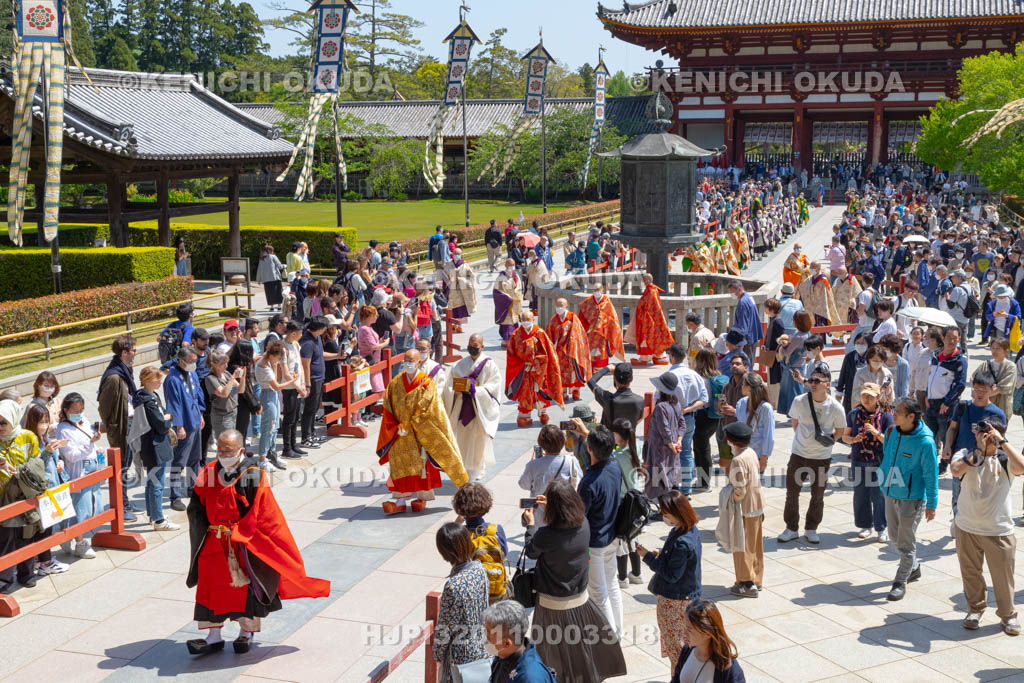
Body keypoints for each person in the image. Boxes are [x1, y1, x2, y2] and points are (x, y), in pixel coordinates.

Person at [185, 430, 330, 655]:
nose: (223, 455)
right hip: (214, 541)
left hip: (242, 542)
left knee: (245, 588)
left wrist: (241, 533)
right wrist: (202, 530)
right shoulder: (208, 472)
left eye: (228, 451)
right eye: (220, 450)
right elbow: (196, 506)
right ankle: (213, 636)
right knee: (210, 587)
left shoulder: (253, 475)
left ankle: (246, 633)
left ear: (241, 451)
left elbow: (264, 512)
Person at [521, 478, 626, 683]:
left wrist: (531, 525)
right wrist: (552, 504)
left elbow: (532, 551)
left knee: (551, 657)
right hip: (581, 602)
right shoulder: (584, 524)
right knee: (580, 655)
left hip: (551, 606)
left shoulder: (546, 534)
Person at [950, 419, 1023, 635]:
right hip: (967, 527)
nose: (986, 435)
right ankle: (975, 610)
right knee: (971, 574)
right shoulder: (965, 453)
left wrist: (1003, 443)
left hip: (998, 530)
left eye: (991, 433)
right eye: (983, 432)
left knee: (1003, 578)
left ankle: (1008, 615)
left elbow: (1021, 467)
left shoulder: (1005, 459)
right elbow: (955, 470)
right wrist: (980, 451)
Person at [377, 349, 469, 514]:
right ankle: (399, 499)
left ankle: (422, 498)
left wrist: (413, 423)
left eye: (411, 360)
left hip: (420, 435)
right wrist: (396, 426)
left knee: (422, 468)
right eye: (405, 360)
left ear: (419, 362)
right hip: (400, 435)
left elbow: (432, 410)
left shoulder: (427, 383)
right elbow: (388, 409)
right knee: (399, 466)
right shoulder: (395, 383)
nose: (408, 363)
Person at [779, 363, 846, 544]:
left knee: (817, 495)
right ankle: (791, 528)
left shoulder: (835, 407)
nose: (813, 383)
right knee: (792, 493)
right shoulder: (799, 401)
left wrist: (827, 442)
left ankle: (811, 528)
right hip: (798, 453)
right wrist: (803, 440)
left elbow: (840, 430)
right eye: (810, 380)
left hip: (821, 458)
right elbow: (795, 423)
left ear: (827, 383)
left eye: (817, 380)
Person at [880, 397, 938, 601]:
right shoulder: (891, 432)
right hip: (890, 492)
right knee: (894, 537)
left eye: (897, 412)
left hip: (912, 499)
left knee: (905, 542)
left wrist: (932, 503)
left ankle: (900, 581)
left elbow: (931, 475)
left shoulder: (925, 442)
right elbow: (887, 456)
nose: (892, 414)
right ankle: (913, 567)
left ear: (911, 417)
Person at [636, 491, 702, 671]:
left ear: (677, 512)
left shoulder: (682, 541)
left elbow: (672, 574)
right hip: (687, 596)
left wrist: (648, 557)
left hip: (675, 600)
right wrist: (662, 552)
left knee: (677, 648)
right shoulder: (689, 529)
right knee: (685, 644)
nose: (663, 517)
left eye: (666, 514)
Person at [578, 426, 624, 637]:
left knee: (598, 592)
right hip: (612, 536)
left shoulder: (588, 483)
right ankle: (619, 632)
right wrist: (587, 433)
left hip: (595, 543)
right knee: (612, 584)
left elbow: (579, 515)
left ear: (589, 449)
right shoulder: (615, 467)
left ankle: (610, 636)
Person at [431, 522, 489, 682]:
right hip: (481, 645)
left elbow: (446, 625)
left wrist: (437, 653)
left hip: (460, 656)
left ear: (445, 552)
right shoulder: (480, 569)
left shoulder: (453, 585)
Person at [943, 371, 1006, 516]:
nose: (980, 393)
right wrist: (947, 445)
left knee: (980, 496)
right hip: (962, 458)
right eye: (977, 389)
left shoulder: (997, 414)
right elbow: (952, 428)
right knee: (957, 493)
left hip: (984, 461)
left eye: (984, 390)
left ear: (993, 389)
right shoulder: (963, 407)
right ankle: (958, 520)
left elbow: (1000, 441)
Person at [443, 334, 502, 482]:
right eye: (470, 345)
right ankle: (465, 469)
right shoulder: (460, 364)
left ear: (482, 347)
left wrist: (476, 390)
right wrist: (455, 390)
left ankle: (476, 469)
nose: (472, 348)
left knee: (477, 441)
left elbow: (494, 386)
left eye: (475, 346)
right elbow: (449, 384)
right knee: (463, 439)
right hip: (462, 407)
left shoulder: (489, 365)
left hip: (478, 409)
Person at [128, 366, 180, 531]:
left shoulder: (149, 396)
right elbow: (162, 424)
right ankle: (159, 520)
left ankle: (153, 515)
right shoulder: (148, 401)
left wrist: (166, 417)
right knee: (157, 483)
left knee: (152, 482)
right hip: (155, 445)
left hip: (151, 445)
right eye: (157, 379)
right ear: (148, 381)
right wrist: (167, 419)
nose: (160, 381)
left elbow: (165, 414)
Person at [842, 383, 893, 542]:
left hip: (878, 461)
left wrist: (876, 433)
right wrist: (854, 440)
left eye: (870, 396)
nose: (866, 398)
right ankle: (866, 525)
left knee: (879, 495)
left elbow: (891, 440)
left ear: (878, 397)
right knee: (861, 494)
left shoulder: (886, 416)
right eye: (864, 395)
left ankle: (881, 527)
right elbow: (844, 436)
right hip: (859, 459)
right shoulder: (853, 414)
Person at [55, 393, 104, 559]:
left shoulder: (84, 422)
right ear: (65, 410)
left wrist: (95, 446)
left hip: (92, 466)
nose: (79, 413)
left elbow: (89, 442)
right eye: (75, 410)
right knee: (80, 507)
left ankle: (69, 534)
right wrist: (90, 445)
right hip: (78, 469)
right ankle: (80, 542)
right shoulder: (63, 429)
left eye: (81, 409)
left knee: (92, 504)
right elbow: (71, 455)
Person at [97, 335, 140, 521]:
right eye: (134, 350)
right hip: (121, 427)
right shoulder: (114, 377)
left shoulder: (124, 371)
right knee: (120, 467)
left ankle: (125, 501)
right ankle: (120, 507)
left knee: (126, 465)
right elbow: (103, 406)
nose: (135, 353)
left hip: (130, 423)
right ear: (125, 352)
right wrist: (114, 426)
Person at [165, 346, 206, 512]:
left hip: (195, 420)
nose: (194, 364)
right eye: (191, 361)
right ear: (181, 361)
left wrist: (201, 415)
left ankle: (192, 487)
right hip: (184, 423)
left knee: (195, 458)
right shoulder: (172, 379)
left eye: (195, 361)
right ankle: (175, 495)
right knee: (179, 460)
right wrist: (179, 426)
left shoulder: (193, 373)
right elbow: (173, 405)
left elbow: (196, 396)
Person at [505, 311, 563, 428]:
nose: (526, 322)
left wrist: (536, 362)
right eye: (524, 320)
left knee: (541, 392)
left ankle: (542, 413)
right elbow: (511, 355)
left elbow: (548, 353)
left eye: (528, 319)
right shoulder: (515, 335)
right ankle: (524, 416)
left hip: (539, 370)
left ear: (533, 320)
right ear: (520, 320)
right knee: (524, 393)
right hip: (523, 371)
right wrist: (521, 365)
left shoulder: (540, 333)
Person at [518, 425, 582, 527]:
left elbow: (523, 484)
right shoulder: (571, 461)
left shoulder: (533, 465)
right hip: (564, 511)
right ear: (562, 442)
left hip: (540, 516)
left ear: (541, 443)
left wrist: (533, 462)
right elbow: (579, 482)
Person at [666, 343, 708, 492]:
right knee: (686, 452)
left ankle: (675, 485)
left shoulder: (668, 376)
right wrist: (688, 409)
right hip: (689, 417)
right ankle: (686, 487)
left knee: (671, 453)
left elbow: (657, 399)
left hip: (671, 419)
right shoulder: (694, 375)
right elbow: (704, 398)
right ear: (685, 356)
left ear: (671, 356)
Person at [671, 600, 747, 683]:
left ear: (707, 633)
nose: (684, 633)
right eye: (684, 627)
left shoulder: (728, 668)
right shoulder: (687, 651)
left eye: (689, 630)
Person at [482, 600, 557, 683]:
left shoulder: (530, 677)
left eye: (489, 636)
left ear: (507, 643)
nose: (485, 638)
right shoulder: (502, 656)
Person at [546, 297, 593, 403]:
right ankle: (563, 391)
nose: (559, 308)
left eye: (561, 305)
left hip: (573, 349)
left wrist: (573, 343)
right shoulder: (554, 320)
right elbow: (549, 336)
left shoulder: (572, 318)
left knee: (574, 370)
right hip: (559, 352)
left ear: (566, 306)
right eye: (557, 305)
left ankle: (576, 389)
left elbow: (579, 333)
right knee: (561, 371)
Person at [644, 372, 684, 498]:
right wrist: (679, 440)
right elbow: (682, 423)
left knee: (661, 481)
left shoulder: (660, 407)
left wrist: (670, 443)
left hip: (660, 449)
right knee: (671, 476)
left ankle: (664, 510)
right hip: (672, 448)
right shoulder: (676, 404)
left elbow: (664, 428)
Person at [693, 349, 727, 492]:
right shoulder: (718, 378)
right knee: (704, 447)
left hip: (701, 416)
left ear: (701, 361)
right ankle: (703, 481)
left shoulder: (699, 379)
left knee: (701, 449)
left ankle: (704, 482)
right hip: (714, 418)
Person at [625, 273, 673, 366]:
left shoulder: (651, 291)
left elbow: (650, 307)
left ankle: (645, 358)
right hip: (650, 319)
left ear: (648, 280)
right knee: (656, 338)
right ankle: (659, 357)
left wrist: (645, 318)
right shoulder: (651, 290)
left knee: (647, 339)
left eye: (644, 280)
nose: (644, 282)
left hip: (648, 320)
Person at [587, 362, 645, 432]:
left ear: (615, 378)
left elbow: (591, 382)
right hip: (628, 441)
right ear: (631, 379)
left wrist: (607, 369)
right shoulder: (640, 400)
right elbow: (639, 418)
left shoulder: (607, 398)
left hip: (609, 441)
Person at [579, 284, 625, 370]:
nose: (596, 292)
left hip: (603, 333)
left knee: (602, 350)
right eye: (594, 290)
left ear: (602, 290)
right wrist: (586, 328)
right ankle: (591, 366)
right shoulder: (588, 302)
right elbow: (582, 316)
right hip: (591, 332)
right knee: (591, 350)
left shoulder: (607, 302)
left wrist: (606, 326)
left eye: (598, 290)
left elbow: (612, 318)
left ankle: (601, 367)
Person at [298, 316, 328, 451]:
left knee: (314, 408)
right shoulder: (307, 341)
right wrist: (308, 383)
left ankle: (312, 433)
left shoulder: (317, 338)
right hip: (313, 379)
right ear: (320, 328)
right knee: (309, 409)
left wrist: (337, 355)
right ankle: (306, 437)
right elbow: (306, 365)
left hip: (319, 377)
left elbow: (321, 354)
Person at [735, 373, 774, 474]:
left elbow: (768, 435)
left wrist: (764, 458)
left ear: (748, 388)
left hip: (757, 455)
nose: (741, 386)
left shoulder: (766, 408)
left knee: (754, 487)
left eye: (743, 384)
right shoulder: (741, 403)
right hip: (741, 453)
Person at [980, 338, 1016, 420]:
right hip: (985, 407)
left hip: (1002, 407)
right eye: (993, 348)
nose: (994, 351)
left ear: (1006, 351)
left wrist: (982, 394)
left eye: (998, 349)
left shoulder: (1010, 366)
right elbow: (975, 380)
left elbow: (1004, 387)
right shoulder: (986, 364)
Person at [493, 259, 524, 347]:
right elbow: (497, 292)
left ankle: (514, 340)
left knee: (514, 321)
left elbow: (519, 288)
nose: (512, 266)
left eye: (513, 264)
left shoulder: (516, 275)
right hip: (507, 304)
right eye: (510, 265)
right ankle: (507, 340)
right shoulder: (501, 277)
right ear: (505, 265)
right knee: (507, 322)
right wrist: (508, 298)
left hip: (516, 303)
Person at [447, 248, 478, 333]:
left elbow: (471, 276)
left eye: (458, 254)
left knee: (461, 309)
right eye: (455, 253)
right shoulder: (449, 264)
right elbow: (444, 276)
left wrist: (462, 280)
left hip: (462, 290)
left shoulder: (465, 265)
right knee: (452, 309)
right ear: (453, 254)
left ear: (461, 255)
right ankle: (454, 324)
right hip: (452, 290)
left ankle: (459, 325)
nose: (457, 255)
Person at [257, 244, 285, 311]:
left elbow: (259, 269)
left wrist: (259, 279)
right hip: (275, 278)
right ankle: (279, 306)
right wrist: (285, 266)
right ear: (270, 250)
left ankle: (272, 307)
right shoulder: (273, 256)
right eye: (272, 250)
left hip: (266, 280)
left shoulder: (261, 259)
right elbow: (279, 266)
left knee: (269, 293)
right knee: (278, 292)